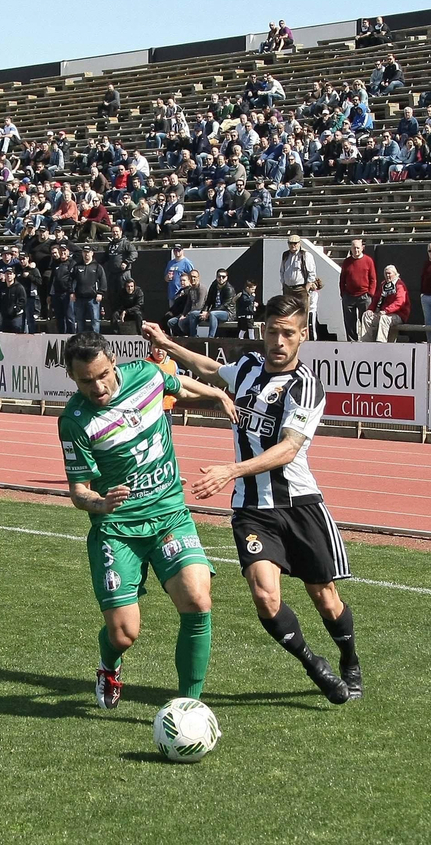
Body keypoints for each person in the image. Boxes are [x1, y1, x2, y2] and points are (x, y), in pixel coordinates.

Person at [143, 296, 360, 705]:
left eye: (288, 334)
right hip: (251, 510)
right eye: (273, 332)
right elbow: (210, 369)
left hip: (300, 505)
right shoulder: (247, 368)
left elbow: (288, 449)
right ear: (263, 331)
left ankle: (349, 658)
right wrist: (166, 343)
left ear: (303, 336)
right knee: (264, 596)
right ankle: (315, 665)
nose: (279, 341)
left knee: (326, 599)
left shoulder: (306, 386)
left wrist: (230, 470)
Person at [58, 332, 236, 709]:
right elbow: (78, 491)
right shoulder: (74, 421)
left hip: (169, 513)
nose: (98, 386)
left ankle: (189, 706)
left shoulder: (145, 374)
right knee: (124, 633)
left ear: (113, 362)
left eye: (102, 374)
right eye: (85, 381)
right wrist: (100, 502)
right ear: (72, 378)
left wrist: (216, 393)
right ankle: (109, 665)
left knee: (197, 599)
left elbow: (176, 384)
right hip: (118, 528)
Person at [338, 238, 377, 342]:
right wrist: (343, 293)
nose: (356, 250)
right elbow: (342, 279)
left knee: (365, 321)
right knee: (349, 322)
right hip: (349, 296)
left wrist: (370, 294)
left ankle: (367, 342)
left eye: (358, 248)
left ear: (362, 248)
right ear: (351, 249)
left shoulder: (368, 261)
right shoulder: (347, 262)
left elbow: (373, 279)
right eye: (354, 248)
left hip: (364, 295)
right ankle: (351, 342)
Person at [363, 265, 409, 342]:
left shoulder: (399, 285)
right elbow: (376, 299)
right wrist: (370, 309)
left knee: (384, 318)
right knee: (366, 316)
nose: (387, 276)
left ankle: (381, 342)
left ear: (395, 274)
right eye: (385, 274)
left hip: (398, 314)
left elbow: (399, 302)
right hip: (383, 313)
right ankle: (366, 342)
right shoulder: (383, 284)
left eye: (389, 273)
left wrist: (386, 311)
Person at [69, 244, 108, 333]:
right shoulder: (77, 266)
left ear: (92, 253)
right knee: (79, 320)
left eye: (88, 252)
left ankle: (96, 340)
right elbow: (70, 280)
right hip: (79, 298)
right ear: (82, 253)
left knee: (95, 320)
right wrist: (71, 292)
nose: (86, 254)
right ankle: (80, 340)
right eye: (84, 252)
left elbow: (103, 281)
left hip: (93, 299)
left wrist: (100, 293)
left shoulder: (97, 266)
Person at [279, 235, 319, 315]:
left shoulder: (306, 255)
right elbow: (282, 270)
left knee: (302, 312)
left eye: (295, 243)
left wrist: (307, 288)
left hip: (300, 288)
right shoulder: (285, 255)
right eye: (290, 243)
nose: (293, 245)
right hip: (288, 289)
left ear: (299, 243)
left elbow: (311, 272)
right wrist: (283, 283)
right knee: (288, 312)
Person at [0, 268, 29, 333]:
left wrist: (16, 309)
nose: (9, 276)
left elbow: (23, 300)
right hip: (5, 318)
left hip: (16, 318)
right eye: (7, 274)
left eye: (10, 274)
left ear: (14, 275)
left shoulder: (19, 287)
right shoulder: (2, 288)